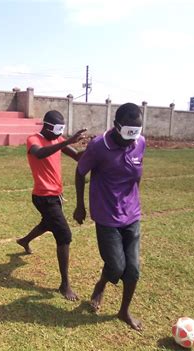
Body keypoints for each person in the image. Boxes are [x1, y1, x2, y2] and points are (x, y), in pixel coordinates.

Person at [73, 103, 146, 330]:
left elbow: (137, 175)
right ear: (116, 126)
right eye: (128, 133)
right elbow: (80, 172)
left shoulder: (140, 143)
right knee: (116, 267)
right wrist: (80, 206)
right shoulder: (98, 146)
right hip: (106, 217)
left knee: (132, 269)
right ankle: (101, 284)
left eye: (136, 133)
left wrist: (132, 199)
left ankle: (124, 311)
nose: (132, 139)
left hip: (131, 215)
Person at [17, 110, 86, 301]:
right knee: (64, 235)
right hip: (43, 197)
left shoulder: (57, 139)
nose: (58, 134)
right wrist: (66, 141)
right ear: (46, 126)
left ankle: (24, 241)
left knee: (48, 224)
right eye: (56, 129)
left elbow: (78, 157)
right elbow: (39, 154)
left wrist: (96, 146)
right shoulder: (34, 139)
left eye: (61, 130)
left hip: (55, 196)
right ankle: (65, 285)